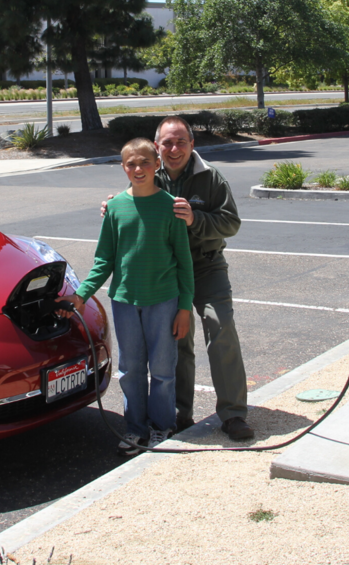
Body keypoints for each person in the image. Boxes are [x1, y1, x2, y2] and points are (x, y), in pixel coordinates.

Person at [107, 116, 253, 440]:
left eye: (181, 142)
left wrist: (195, 219)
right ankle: (179, 414)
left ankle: (232, 414)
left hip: (206, 265)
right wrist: (111, 207)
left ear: (192, 145)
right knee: (177, 340)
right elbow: (129, 201)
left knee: (221, 327)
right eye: (168, 143)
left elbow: (231, 223)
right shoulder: (149, 171)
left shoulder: (209, 177)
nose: (175, 149)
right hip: (170, 271)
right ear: (157, 146)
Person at [65, 138, 194, 455]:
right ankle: (136, 429)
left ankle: (162, 428)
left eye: (145, 163)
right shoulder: (115, 208)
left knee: (163, 371)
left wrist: (184, 308)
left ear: (157, 165)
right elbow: (104, 260)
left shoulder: (170, 207)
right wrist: (81, 294)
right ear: (123, 167)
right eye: (131, 164)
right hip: (124, 302)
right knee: (131, 370)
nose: (139, 169)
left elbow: (184, 263)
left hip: (163, 301)